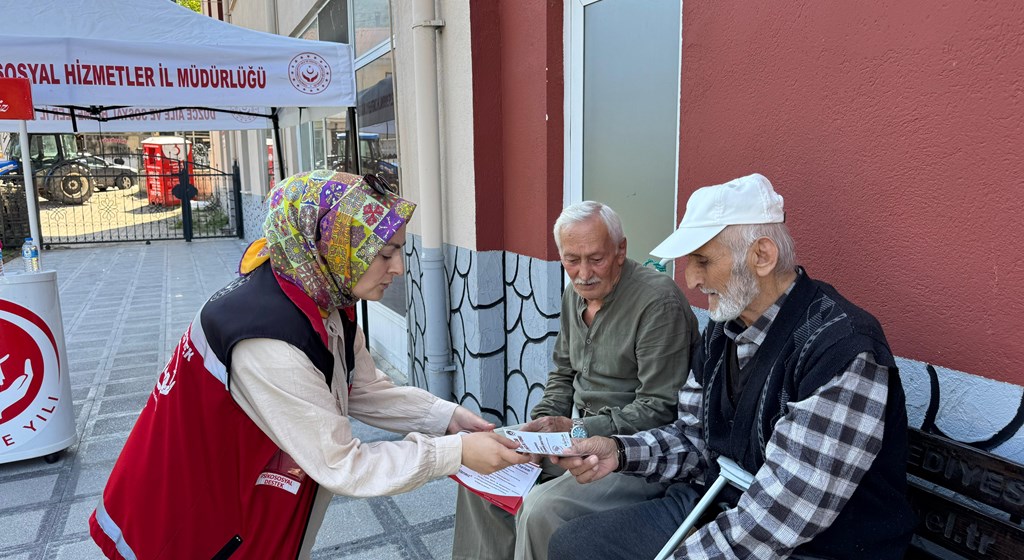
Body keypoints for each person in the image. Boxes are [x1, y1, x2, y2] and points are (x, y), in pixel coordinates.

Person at [89, 170, 530, 560]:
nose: (398, 267)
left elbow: (361, 387)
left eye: (399, 250)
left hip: (239, 498)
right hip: (189, 519)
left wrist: (447, 418)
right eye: (385, 253)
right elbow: (342, 465)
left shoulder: (321, 294)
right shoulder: (267, 340)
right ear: (332, 245)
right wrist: (455, 453)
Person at [549, 173, 916, 560]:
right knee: (572, 544)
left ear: (762, 256)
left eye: (703, 261)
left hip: (817, 546)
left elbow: (780, 517)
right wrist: (619, 451)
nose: (691, 279)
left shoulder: (842, 350)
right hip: (718, 503)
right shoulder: (724, 329)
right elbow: (693, 439)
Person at [452, 201, 700, 560]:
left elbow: (659, 409)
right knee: (480, 464)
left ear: (620, 251)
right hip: (576, 437)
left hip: (633, 453)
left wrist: (576, 429)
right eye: (572, 260)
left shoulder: (658, 303)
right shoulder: (576, 294)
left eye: (596, 259)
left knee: (541, 510)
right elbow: (563, 372)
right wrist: (540, 430)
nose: (584, 273)